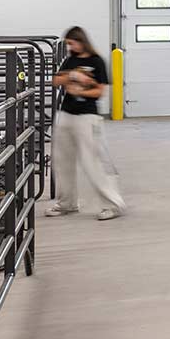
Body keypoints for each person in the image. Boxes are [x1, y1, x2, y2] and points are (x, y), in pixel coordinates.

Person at [48, 26, 126, 220]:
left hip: (87, 117)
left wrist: (80, 91)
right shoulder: (71, 60)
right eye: (68, 44)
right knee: (62, 161)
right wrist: (73, 76)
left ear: (81, 41)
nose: (70, 47)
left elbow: (100, 91)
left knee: (92, 162)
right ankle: (67, 203)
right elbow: (56, 81)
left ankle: (113, 204)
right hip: (66, 114)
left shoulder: (96, 61)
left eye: (72, 43)